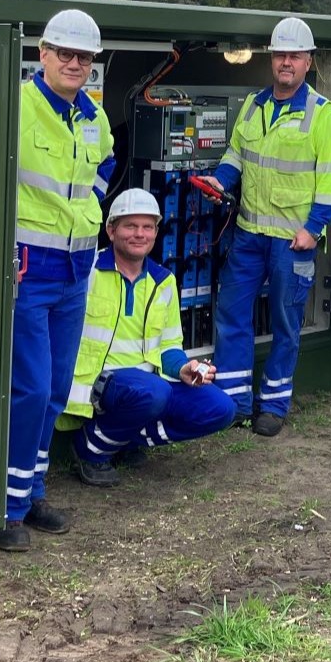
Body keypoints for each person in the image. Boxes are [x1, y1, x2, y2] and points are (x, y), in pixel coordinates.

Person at [0, 9, 118, 551]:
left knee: (55, 391)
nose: (76, 64)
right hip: (28, 271)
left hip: (78, 269)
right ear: (43, 54)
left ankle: (31, 493)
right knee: (29, 389)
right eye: (66, 54)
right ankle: (4, 508)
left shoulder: (91, 115)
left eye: (85, 57)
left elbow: (104, 162)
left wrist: (92, 205)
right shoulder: (17, 102)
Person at [202, 17, 331, 437]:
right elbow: (236, 154)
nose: (286, 63)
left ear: (308, 62)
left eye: (294, 57)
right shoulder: (254, 104)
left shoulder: (322, 114)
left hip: (292, 241)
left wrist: (313, 228)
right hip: (247, 233)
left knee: (285, 321)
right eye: (280, 55)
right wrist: (220, 180)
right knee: (232, 314)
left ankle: (275, 404)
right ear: (272, 59)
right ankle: (234, 402)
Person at [65, 189, 235, 484]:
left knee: (221, 408)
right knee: (153, 392)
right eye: (130, 226)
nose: (139, 234)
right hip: (99, 384)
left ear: (156, 232)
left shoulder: (164, 280)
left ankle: (124, 439)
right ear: (111, 229)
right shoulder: (87, 272)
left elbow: (169, 345)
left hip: (151, 387)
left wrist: (185, 369)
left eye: (147, 227)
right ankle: (91, 449)